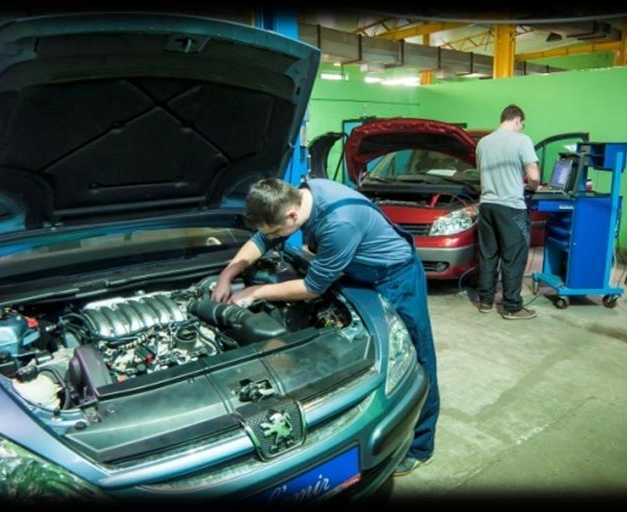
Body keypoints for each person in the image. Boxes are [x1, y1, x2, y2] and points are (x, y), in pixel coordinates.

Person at [212, 177, 440, 476]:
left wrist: (253, 292)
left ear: (292, 215)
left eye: (278, 230)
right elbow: (262, 239)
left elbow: (312, 287)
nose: (275, 237)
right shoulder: (301, 194)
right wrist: (228, 274)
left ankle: (419, 446)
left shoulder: (339, 223)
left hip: (394, 278)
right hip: (355, 271)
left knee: (415, 355)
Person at [476, 104, 540, 320]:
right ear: (517, 120)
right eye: (522, 124)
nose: (521, 128)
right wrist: (533, 186)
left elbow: (482, 173)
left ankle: (485, 300)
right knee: (513, 257)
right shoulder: (522, 140)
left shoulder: (483, 143)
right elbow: (533, 176)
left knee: (488, 254)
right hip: (511, 207)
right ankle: (512, 306)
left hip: (486, 205)